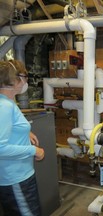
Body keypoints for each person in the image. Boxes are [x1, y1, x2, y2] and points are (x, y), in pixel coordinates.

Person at [0, 60, 45, 216]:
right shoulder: (4, 106)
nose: (26, 81)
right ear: (14, 80)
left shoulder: (8, 102)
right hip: (16, 179)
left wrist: (26, 132)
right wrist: (34, 151)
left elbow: (10, 127)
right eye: (24, 76)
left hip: (20, 176)